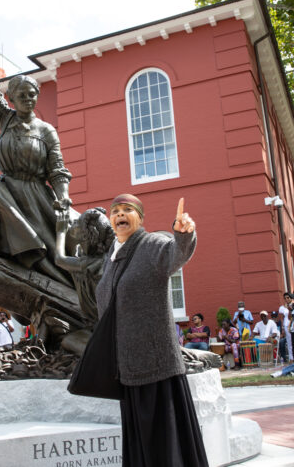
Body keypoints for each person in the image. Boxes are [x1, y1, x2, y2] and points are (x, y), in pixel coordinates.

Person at [92, 194, 207, 467]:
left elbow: (174, 254)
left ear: (140, 218)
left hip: (157, 369)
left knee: (166, 450)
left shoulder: (152, 244)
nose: (120, 214)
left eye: (127, 210)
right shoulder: (112, 255)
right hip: (128, 368)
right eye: (116, 211)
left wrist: (183, 233)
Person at [0, 48, 73, 286]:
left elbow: (57, 169)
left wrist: (63, 197)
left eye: (32, 94)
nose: (28, 99)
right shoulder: (5, 119)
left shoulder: (46, 131)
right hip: (8, 190)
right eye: (21, 95)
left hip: (35, 195)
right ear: (11, 99)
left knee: (53, 253)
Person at [278, 293, 293, 362]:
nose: (287, 299)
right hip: (287, 325)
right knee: (289, 342)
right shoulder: (282, 308)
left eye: (288, 298)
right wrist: (283, 328)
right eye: (285, 298)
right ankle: (291, 358)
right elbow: (282, 317)